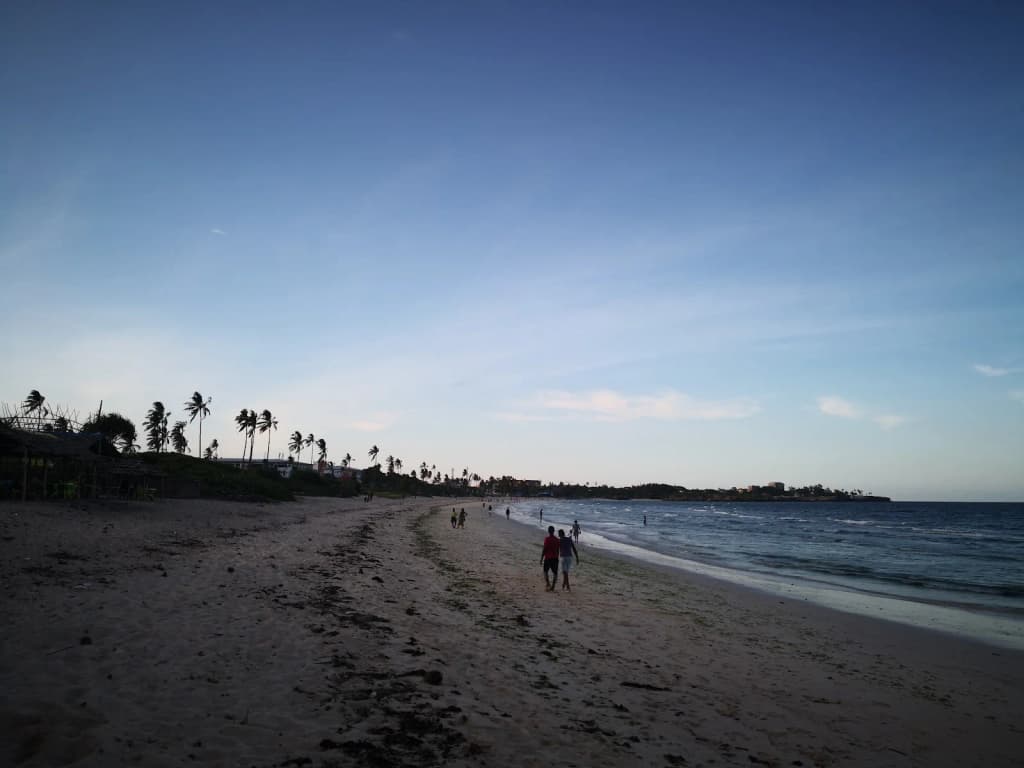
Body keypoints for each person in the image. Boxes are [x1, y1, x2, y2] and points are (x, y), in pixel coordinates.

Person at [541, 525, 560, 591]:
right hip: (555, 558)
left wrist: (541, 558)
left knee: (545, 571)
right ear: (553, 531)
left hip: (548, 558)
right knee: (555, 573)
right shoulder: (557, 540)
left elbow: (545, 549)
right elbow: (558, 550)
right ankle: (553, 586)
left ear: (548, 531)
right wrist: (557, 556)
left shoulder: (547, 539)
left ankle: (548, 583)